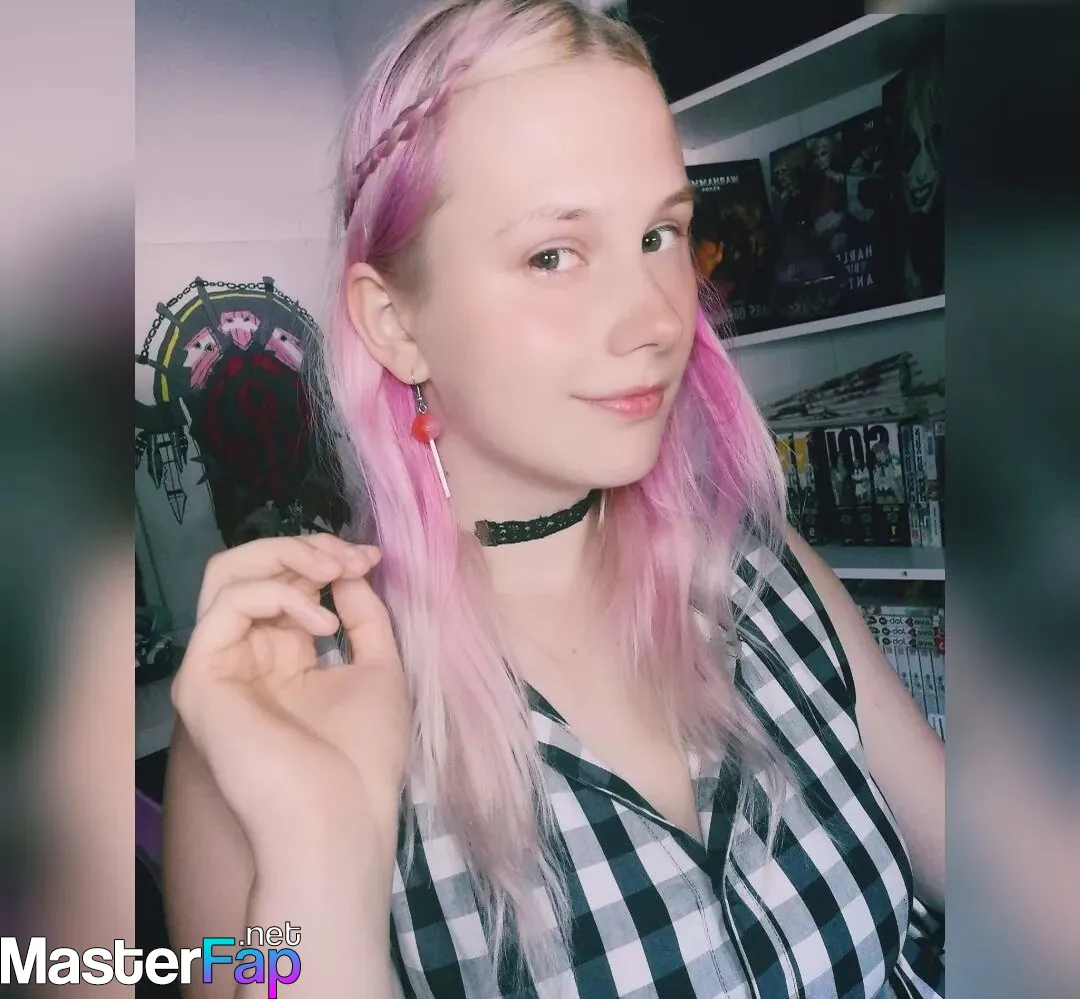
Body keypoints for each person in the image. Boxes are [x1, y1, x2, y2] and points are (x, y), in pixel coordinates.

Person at [163, 3, 945, 997]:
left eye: (661, 233)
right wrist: (319, 861)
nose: (655, 319)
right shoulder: (279, 704)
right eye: (553, 255)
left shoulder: (764, 569)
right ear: (395, 323)